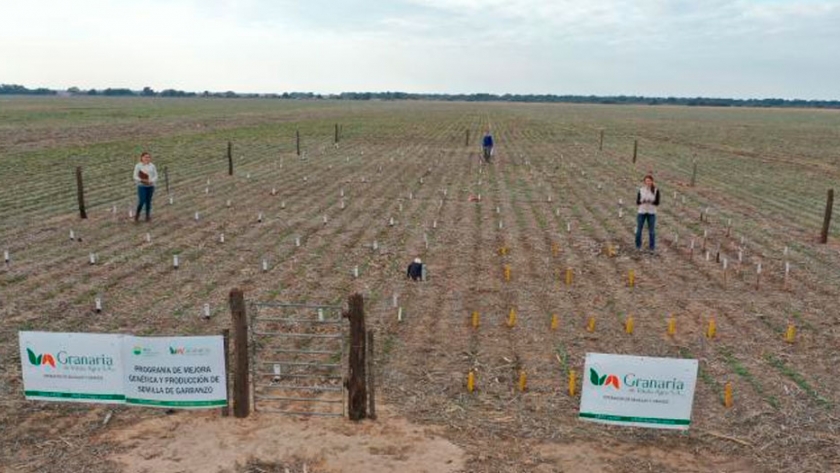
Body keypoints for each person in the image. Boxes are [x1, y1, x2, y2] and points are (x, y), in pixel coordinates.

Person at [635, 174, 660, 252]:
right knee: (639, 229)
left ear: (652, 181)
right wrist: (642, 201)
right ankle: (638, 246)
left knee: (652, 231)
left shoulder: (656, 190)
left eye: (649, 181)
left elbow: (657, 202)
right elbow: (637, 202)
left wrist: (651, 201)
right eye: (646, 181)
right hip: (642, 211)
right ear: (644, 182)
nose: (648, 182)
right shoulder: (641, 190)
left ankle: (652, 247)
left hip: (651, 212)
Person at [133, 152, 158, 222]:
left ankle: (147, 216)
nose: (147, 158)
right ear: (142, 158)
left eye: (148, 157)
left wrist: (151, 181)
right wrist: (142, 180)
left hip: (151, 186)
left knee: (148, 201)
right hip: (142, 186)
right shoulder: (138, 166)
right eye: (145, 157)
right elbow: (135, 176)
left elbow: (156, 175)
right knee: (142, 201)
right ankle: (137, 215)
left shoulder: (152, 166)